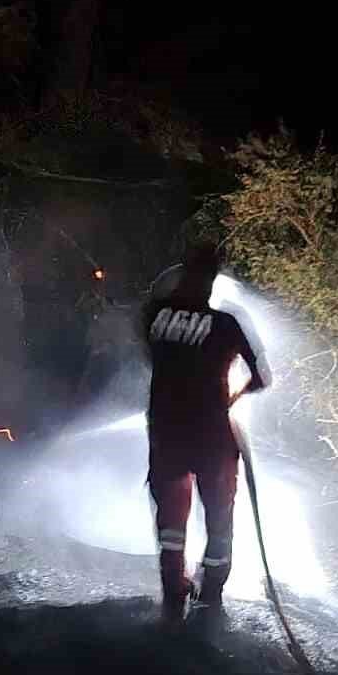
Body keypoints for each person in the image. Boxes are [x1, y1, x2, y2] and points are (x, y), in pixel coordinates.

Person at [142, 243, 271, 623]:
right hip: (212, 436)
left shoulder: (154, 316)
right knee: (218, 516)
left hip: (165, 435)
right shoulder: (226, 324)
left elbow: (157, 358)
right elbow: (262, 377)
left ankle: (172, 597)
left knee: (170, 521)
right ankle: (210, 597)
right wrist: (231, 397)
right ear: (214, 277)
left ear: (183, 272)